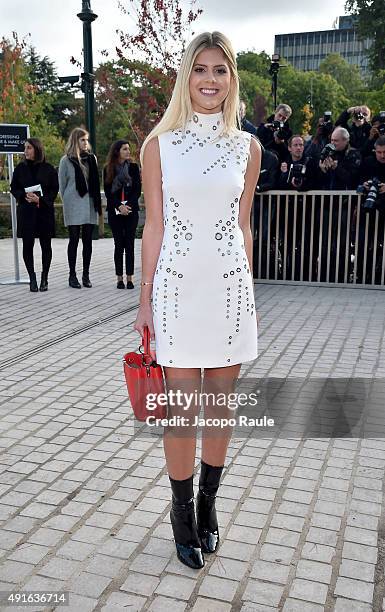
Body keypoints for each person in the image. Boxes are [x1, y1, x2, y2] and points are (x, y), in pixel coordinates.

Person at [134, 31, 261, 570]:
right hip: (178, 288)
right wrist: (144, 302)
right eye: (201, 69)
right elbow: (155, 226)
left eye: (221, 70)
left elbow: (243, 224)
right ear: (187, 76)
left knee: (221, 406)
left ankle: (209, 503)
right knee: (183, 411)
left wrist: (247, 287)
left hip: (230, 288)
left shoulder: (249, 148)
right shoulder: (158, 146)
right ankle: (180, 510)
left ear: (232, 78)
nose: (210, 80)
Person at [10, 138, 59, 292]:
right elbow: (14, 187)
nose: (26, 151)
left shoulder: (49, 168)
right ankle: (32, 278)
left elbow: (54, 190)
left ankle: (45, 278)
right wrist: (24, 196)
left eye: (29, 148)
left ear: (37, 149)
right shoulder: (20, 168)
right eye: (25, 148)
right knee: (27, 245)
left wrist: (41, 199)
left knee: (46, 245)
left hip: (44, 212)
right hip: (26, 212)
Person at [58, 128, 102, 288]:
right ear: (75, 141)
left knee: (88, 241)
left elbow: (96, 182)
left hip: (89, 203)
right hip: (73, 203)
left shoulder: (92, 159)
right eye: (82, 140)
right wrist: (69, 201)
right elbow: (62, 186)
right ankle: (72, 275)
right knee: (74, 240)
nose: (85, 143)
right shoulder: (66, 160)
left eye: (86, 140)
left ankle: (86, 275)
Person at [103, 140, 141, 289]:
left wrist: (128, 206)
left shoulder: (133, 167)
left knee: (130, 244)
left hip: (131, 210)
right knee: (119, 245)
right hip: (115, 210)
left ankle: (130, 278)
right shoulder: (108, 169)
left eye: (128, 149)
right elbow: (108, 192)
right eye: (124, 149)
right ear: (117, 151)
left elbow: (137, 189)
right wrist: (119, 206)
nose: (128, 151)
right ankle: (119, 278)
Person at [355, 136, 385, 283]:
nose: (382, 155)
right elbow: (357, 181)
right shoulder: (368, 162)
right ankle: (362, 276)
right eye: (379, 152)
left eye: (384, 152)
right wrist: (365, 185)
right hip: (368, 210)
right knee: (363, 244)